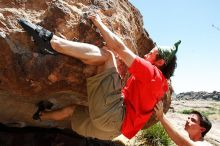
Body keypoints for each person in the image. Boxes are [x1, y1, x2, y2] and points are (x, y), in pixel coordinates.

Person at [18, 12, 180, 140]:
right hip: (110, 130)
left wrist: (98, 22)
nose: (146, 54)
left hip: (113, 118)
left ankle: (52, 43)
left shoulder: (153, 74)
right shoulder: (159, 86)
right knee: (72, 110)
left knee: (108, 55)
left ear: (160, 63)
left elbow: (119, 48)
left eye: (152, 53)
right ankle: (41, 115)